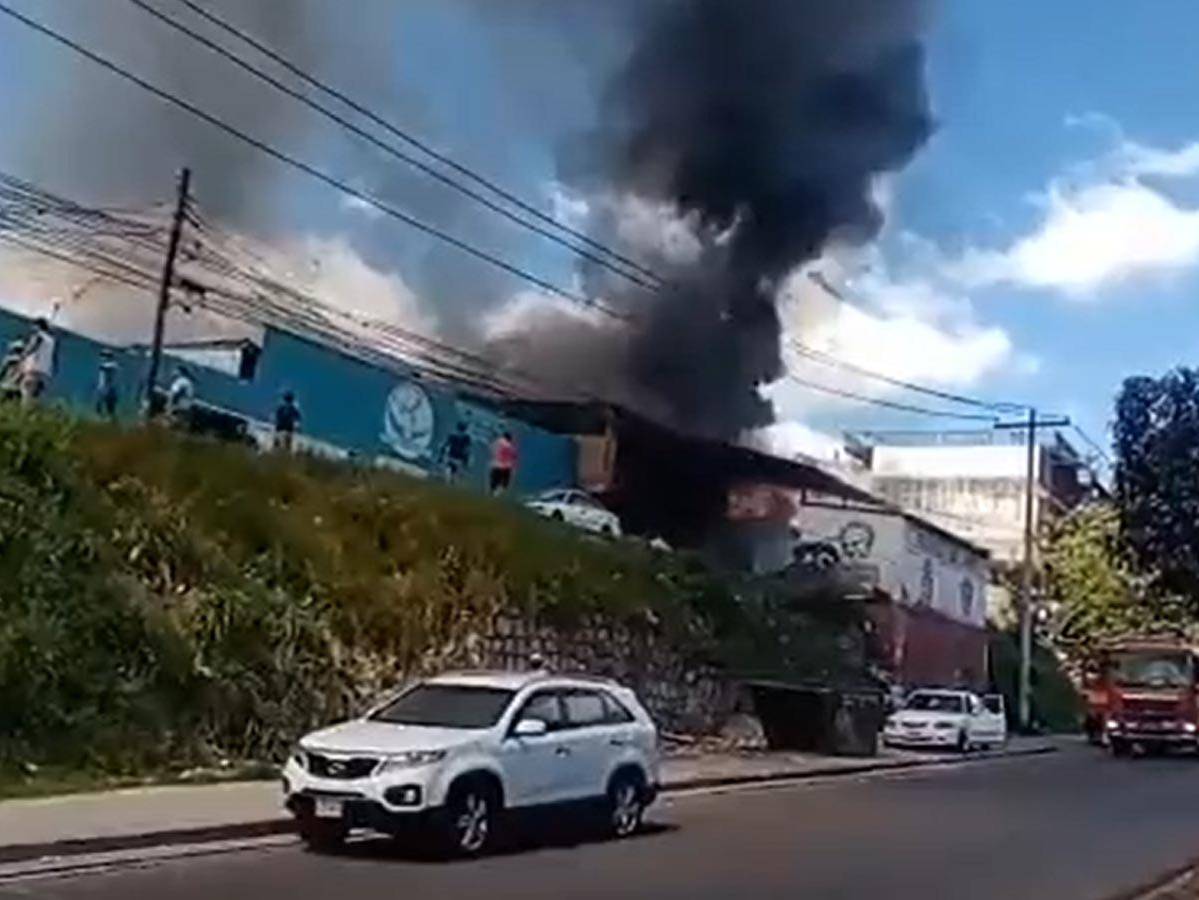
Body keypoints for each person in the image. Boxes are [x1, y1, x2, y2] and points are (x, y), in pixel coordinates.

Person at [18, 318, 55, 406]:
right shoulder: (51, 341)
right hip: (44, 369)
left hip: (34, 366)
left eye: (34, 325)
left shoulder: (38, 335)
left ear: (38, 326)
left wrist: (23, 355)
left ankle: (24, 409)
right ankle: (30, 409)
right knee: (35, 390)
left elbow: (33, 347)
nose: (32, 327)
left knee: (26, 388)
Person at [166, 364, 195, 429]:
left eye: (175, 371)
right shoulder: (188, 382)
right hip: (185, 409)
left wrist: (170, 408)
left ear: (179, 372)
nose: (173, 372)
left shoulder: (180, 381)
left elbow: (176, 394)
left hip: (177, 409)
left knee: (170, 426)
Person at [94, 351, 119, 420]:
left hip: (110, 390)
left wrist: (102, 367)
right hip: (102, 388)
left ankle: (111, 420)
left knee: (110, 409)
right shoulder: (106, 364)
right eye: (102, 356)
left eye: (104, 356)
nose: (102, 357)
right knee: (98, 407)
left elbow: (106, 368)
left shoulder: (113, 364)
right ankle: (102, 419)